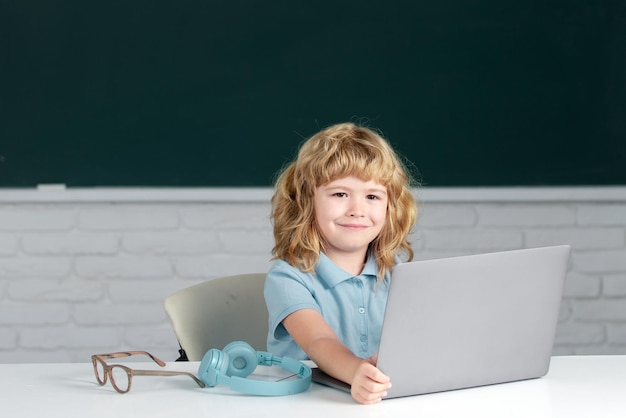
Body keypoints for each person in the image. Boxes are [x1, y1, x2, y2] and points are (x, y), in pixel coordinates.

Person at [264, 122, 418, 404]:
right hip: (301, 405)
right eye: (339, 194)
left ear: (389, 207)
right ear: (307, 203)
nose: (357, 210)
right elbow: (318, 342)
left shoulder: (397, 274)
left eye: (372, 196)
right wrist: (358, 370)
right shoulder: (287, 278)